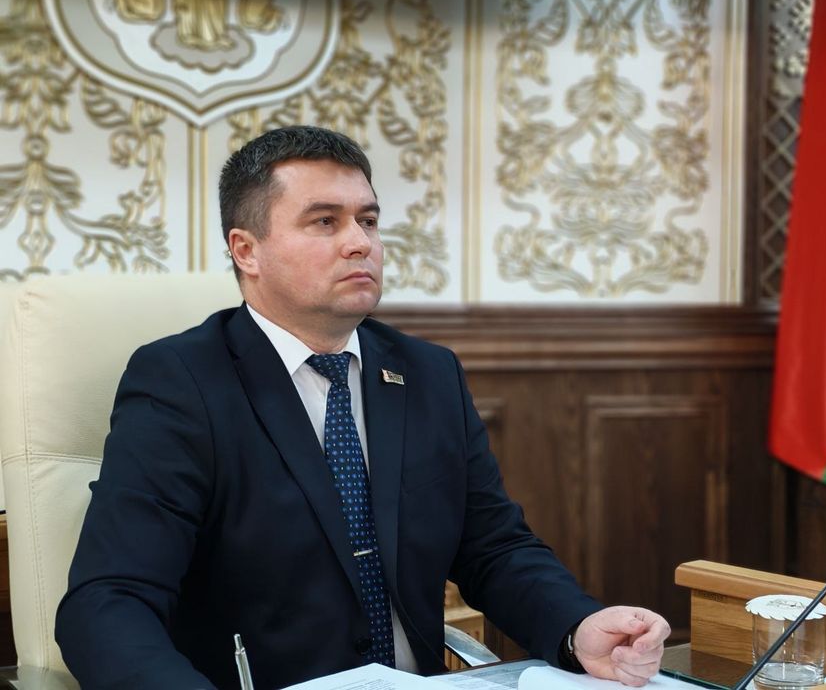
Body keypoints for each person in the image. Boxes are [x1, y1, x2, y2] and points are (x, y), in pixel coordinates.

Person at [55, 125, 670, 689]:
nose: (360, 243)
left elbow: (494, 548)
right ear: (247, 251)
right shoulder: (181, 382)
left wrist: (577, 626)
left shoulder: (428, 372)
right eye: (325, 222)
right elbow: (108, 601)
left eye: (368, 220)